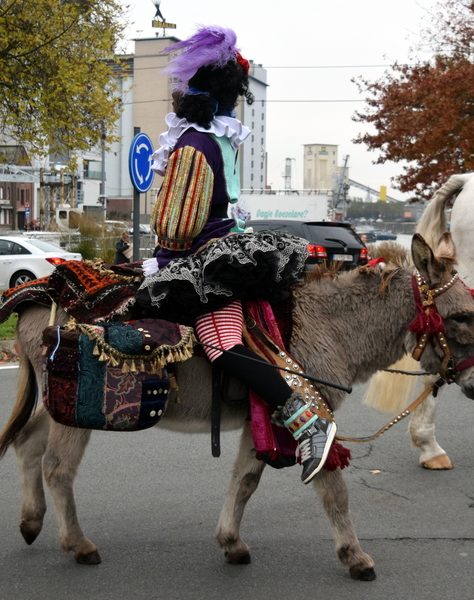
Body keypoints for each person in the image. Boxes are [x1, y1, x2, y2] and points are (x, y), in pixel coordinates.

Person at [135, 26, 336, 484]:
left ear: (193, 92)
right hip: (225, 247)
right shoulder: (219, 139)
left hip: (205, 258)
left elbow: (178, 225)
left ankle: (308, 421)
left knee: (222, 346)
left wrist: (163, 240)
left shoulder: (193, 144)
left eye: (180, 88)